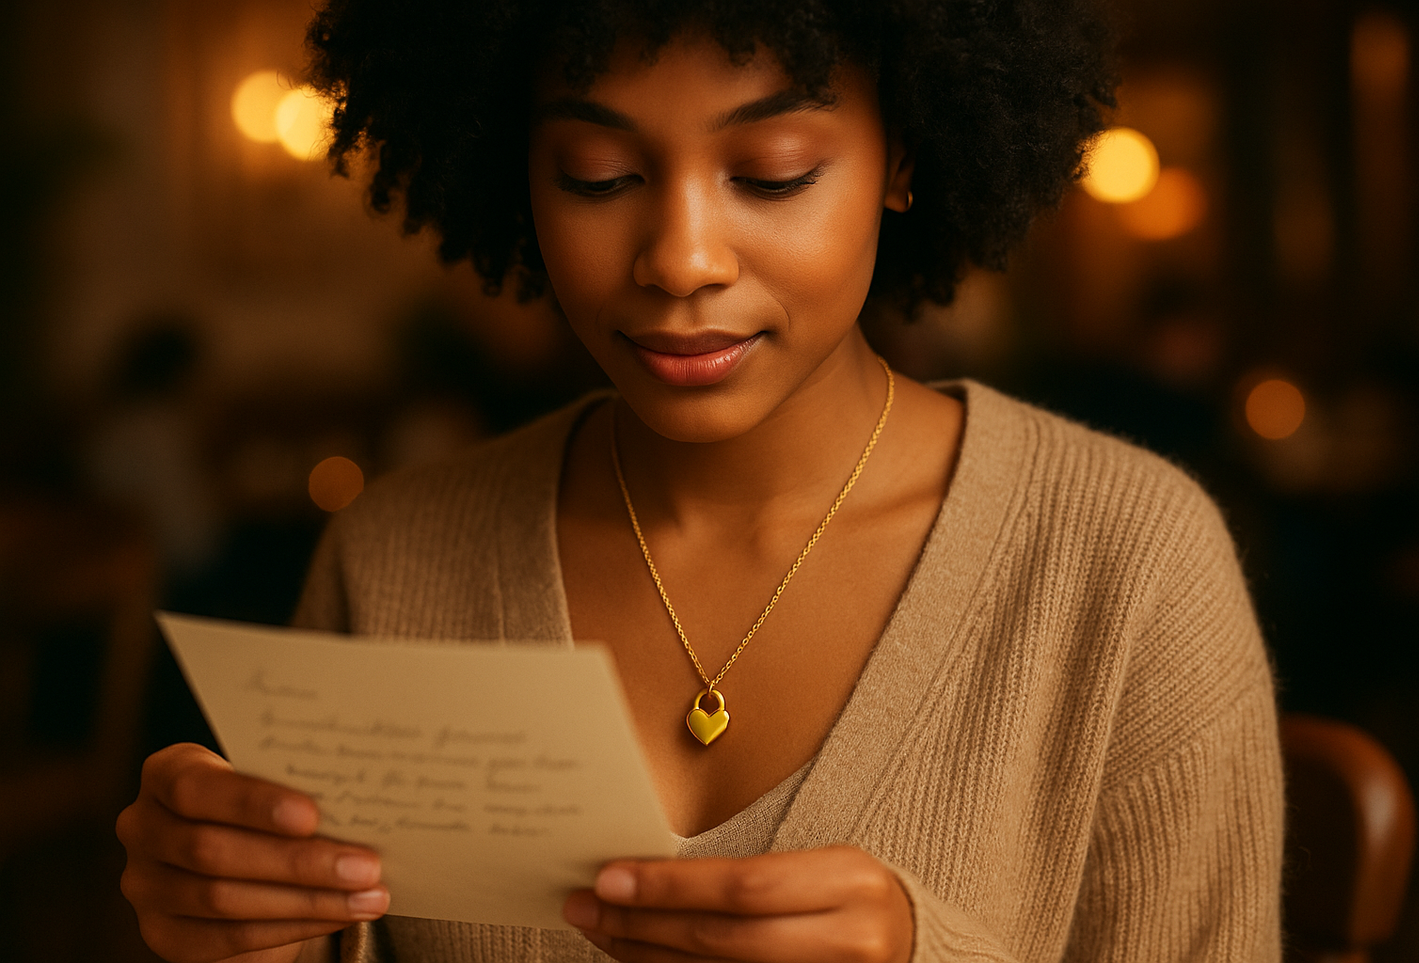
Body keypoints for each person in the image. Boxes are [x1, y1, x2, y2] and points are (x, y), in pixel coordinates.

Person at [116, 1, 1284, 961]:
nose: (679, 259)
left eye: (772, 175)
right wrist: (227, 929)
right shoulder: (394, 559)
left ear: (906, 158)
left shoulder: (1126, 562)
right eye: (597, 174)